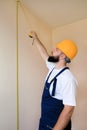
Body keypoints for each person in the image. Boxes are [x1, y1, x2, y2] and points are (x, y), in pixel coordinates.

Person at [29, 31, 78, 130]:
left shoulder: (68, 79)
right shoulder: (52, 68)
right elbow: (43, 52)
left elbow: (68, 110)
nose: (52, 51)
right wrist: (35, 37)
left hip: (56, 126)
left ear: (63, 56)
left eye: (56, 49)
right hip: (44, 122)